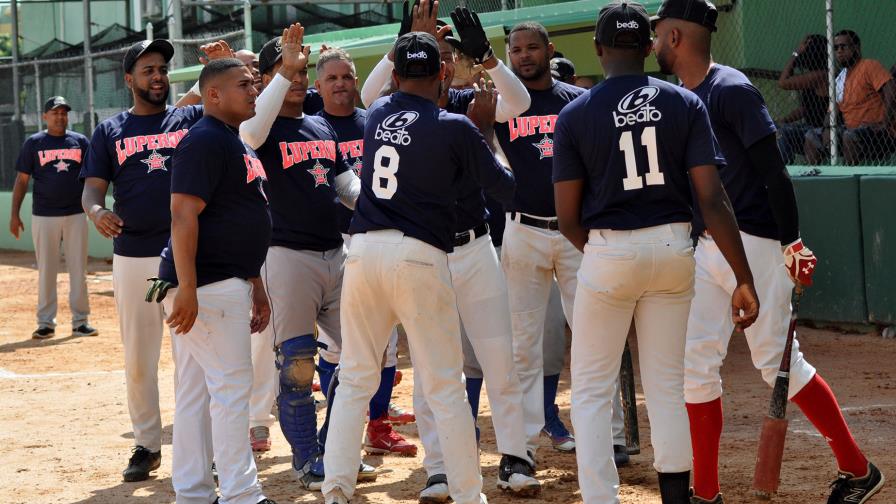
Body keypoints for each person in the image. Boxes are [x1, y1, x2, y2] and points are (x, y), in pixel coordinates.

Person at [652, 1, 884, 502]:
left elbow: (773, 171)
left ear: (675, 37)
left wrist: (792, 242)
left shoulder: (731, 89)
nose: (652, 42)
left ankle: (858, 470)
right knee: (695, 365)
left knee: (778, 363)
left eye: (657, 32)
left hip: (756, 240)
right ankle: (706, 493)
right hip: (708, 244)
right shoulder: (677, 96)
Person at [554, 4, 759, 502]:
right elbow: (712, 198)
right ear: (649, 47)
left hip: (608, 252)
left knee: (591, 391)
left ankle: (602, 497)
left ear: (599, 51)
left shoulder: (576, 112)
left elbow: (566, 217)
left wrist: (605, 252)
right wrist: (743, 276)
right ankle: (675, 497)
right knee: (667, 385)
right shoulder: (685, 103)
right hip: (672, 247)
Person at [322, 31, 514, 504]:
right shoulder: (454, 126)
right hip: (418, 256)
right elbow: (506, 189)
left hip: (364, 252)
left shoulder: (380, 114)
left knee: (354, 379)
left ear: (397, 75)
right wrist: (485, 132)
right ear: (443, 73)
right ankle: (470, 495)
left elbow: (382, 96)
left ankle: (335, 488)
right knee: (446, 386)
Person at [237, 25, 373, 491]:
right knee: (297, 364)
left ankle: (332, 448)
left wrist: (379, 201)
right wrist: (281, 73)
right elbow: (249, 135)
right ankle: (305, 457)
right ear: (271, 76)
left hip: (337, 252)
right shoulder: (259, 125)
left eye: (299, 70)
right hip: (287, 257)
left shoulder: (320, 125)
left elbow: (344, 184)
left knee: (360, 360)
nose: (295, 78)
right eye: (284, 69)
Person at [151, 57, 274, 504]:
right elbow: (182, 213)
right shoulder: (205, 139)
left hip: (221, 282)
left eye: (255, 83)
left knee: (197, 393)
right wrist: (187, 288)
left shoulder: (231, 140)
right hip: (207, 285)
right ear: (213, 95)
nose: (254, 90)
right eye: (244, 84)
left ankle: (193, 492)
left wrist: (256, 284)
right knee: (231, 389)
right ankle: (242, 494)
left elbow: (241, 217)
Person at [81, 38, 204, 482]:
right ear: (129, 79)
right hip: (134, 256)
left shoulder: (189, 118)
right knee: (139, 355)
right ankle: (147, 445)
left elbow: (230, 99)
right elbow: (93, 187)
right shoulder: (109, 130)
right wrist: (97, 211)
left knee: (193, 353)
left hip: (187, 254)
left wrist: (219, 67)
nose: (158, 76)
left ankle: (198, 445)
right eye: (148, 69)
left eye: (163, 69)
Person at [314, 45, 418, 457]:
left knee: (387, 342)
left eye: (347, 77)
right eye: (332, 78)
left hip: (378, 238)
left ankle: (377, 425)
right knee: (338, 345)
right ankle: (335, 426)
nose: (341, 84)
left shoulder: (373, 120)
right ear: (318, 85)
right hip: (336, 243)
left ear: (358, 82)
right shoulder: (313, 126)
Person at [494, 20, 584, 457]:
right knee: (523, 343)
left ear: (549, 49)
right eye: (516, 50)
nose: (525, 55)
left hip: (576, 232)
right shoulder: (502, 106)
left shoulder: (578, 102)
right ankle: (525, 444)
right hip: (524, 229)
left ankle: (608, 437)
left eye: (532, 48)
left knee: (592, 336)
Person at [10, 96, 96, 340]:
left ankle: (81, 321)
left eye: (63, 112)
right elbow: (22, 180)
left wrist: (93, 208)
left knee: (78, 269)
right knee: (47, 269)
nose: (60, 116)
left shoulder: (79, 142)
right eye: (55, 112)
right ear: (44, 116)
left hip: (76, 213)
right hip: (44, 215)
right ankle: (45, 322)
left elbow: (92, 177)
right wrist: (15, 214)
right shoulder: (34, 143)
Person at [804, 29, 896, 166]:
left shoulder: (869, 66)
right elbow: (831, 111)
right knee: (811, 136)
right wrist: (827, 129)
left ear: (856, 48)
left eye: (843, 46)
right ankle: (815, 178)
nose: (839, 51)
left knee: (849, 135)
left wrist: (885, 123)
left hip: (879, 132)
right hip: (852, 130)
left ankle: (849, 182)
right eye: (836, 48)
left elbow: (891, 90)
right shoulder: (840, 78)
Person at [776, 34, 829, 164]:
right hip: (809, 126)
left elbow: (783, 82)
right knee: (776, 127)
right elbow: (806, 109)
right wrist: (785, 120)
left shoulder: (821, 75)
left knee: (780, 132)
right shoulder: (813, 75)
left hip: (819, 129)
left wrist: (796, 53)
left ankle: (783, 167)